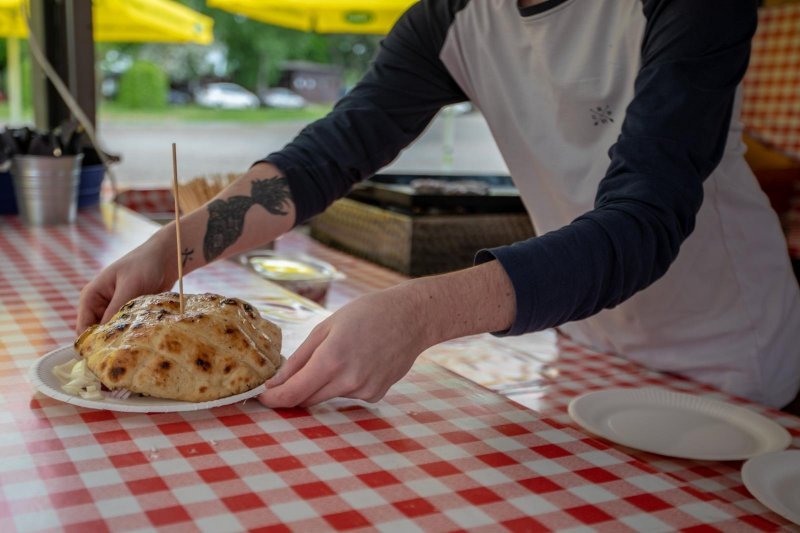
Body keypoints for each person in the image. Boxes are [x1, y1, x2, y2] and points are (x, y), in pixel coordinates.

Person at [78, 0, 800, 413]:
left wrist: (422, 313)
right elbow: (324, 156)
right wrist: (174, 247)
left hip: (730, 359)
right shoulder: (453, 14)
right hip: (583, 344)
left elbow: (646, 218)